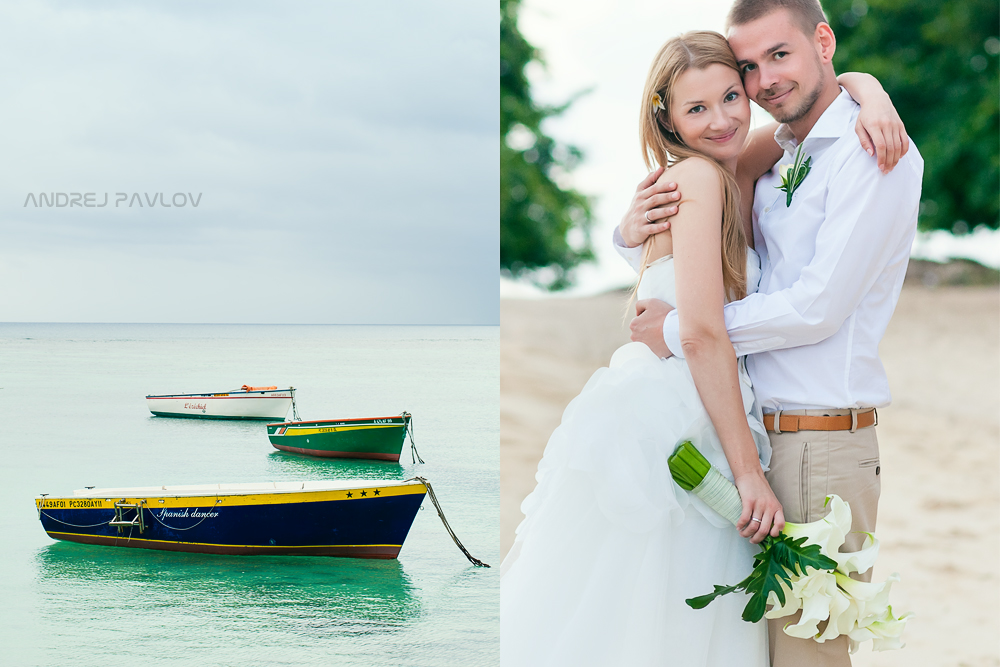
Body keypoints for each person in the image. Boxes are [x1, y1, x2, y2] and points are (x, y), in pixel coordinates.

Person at [501, 26, 906, 666]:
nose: (722, 120)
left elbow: (823, 105)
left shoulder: (734, 167)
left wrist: (873, 91)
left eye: (730, 97)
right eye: (697, 108)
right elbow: (699, 330)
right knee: (670, 607)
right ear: (666, 116)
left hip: (695, 400)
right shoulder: (703, 178)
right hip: (684, 412)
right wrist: (748, 473)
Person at [617, 2, 923, 666]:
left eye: (778, 56)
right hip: (759, 437)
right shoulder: (777, 151)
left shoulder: (872, 150)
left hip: (819, 442)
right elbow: (701, 265)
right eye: (749, 67)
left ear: (822, 41)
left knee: (809, 655)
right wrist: (628, 232)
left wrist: (683, 329)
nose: (762, 83)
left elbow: (816, 307)